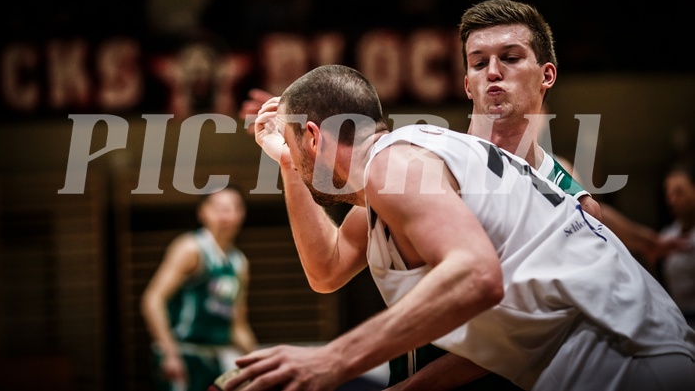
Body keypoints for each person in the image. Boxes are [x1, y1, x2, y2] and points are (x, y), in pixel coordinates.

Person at [219, 64, 695, 391]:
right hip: (621, 358)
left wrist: (332, 359)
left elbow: (476, 276)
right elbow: (325, 271)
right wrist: (288, 163)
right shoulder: (401, 172)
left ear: (314, 135)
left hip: (628, 361)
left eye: (291, 141)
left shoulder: (394, 166)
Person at [141, 185, 258, 391]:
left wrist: (260, 359)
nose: (226, 214)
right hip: (182, 354)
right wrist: (169, 353)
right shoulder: (191, 247)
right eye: (219, 207)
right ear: (202, 213)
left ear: (242, 214)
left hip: (215, 358)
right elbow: (152, 299)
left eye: (233, 207)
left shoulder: (239, 263)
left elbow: (237, 326)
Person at [657, 159, 695, 328]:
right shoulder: (666, 236)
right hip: (680, 321)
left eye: (679, 192)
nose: (671, 200)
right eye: (668, 193)